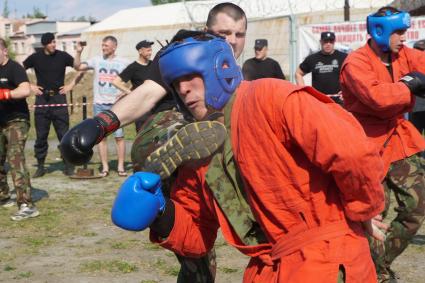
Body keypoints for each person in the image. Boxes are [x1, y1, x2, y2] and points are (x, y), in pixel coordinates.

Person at [112, 32, 387, 283]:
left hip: (326, 261)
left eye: (189, 76)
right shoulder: (199, 150)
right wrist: (161, 212)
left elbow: (351, 151)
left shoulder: (271, 97)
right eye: (175, 83)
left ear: (219, 68)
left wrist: (362, 209)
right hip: (266, 269)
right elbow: (197, 236)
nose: (182, 89)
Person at [61, 3, 247, 282]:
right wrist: (102, 123)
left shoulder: (236, 71)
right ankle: (166, 164)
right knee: (172, 124)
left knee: (199, 259)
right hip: (170, 136)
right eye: (224, 33)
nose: (232, 40)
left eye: (239, 34)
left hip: (213, 166)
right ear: (207, 31)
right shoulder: (183, 52)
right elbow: (147, 94)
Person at [339, 6, 425, 282]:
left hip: (401, 141)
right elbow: (379, 98)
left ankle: (379, 264)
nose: (403, 38)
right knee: (374, 215)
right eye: (398, 32)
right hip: (367, 145)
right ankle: (373, 272)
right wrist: (410, 85)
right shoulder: (356, 63)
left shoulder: (403, 54)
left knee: (417, 207)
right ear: (380, 31)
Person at [23, 32, 78, 178]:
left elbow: (79, 67)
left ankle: (68, 165)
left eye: (55, 42)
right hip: (42, 99)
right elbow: (19, 71)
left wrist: (71, 85)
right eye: (51, 42)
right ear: (44, 44)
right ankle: (40, 166)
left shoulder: (63, 56)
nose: (54, 45)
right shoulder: (35, 58)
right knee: (41, 135)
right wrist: (30, 86)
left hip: (59, 98)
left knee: (64, 134)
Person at [74, 35, 130, 177]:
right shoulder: (96, 60)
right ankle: (105, 167)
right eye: (102, 45)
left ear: (114, 47)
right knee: (101, 138)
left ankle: (121, 166)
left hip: (116, 106)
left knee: (119, 137)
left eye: (106, 45)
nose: (103, 48)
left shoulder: (123, 62)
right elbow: (77, 67)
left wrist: (126, 92)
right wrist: (79, 52)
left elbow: (135, 77)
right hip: (100, 105)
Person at [0, 38, 40, 221]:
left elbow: (25, 90)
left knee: (14, 157)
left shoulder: (14, 68)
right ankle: (3, 196)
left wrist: (6, 93)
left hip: (17, 119)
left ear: (4, 51)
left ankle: (26, 204)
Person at [112, 40, 155, 132]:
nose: (150, 53)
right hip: (141, 107)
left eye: (151, 50)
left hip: (154, 104)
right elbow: (116, 82)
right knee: (143, 133)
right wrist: (130, 93)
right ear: (140, 51)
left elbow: (139, 82)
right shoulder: (133, 67)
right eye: (148, 50)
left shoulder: (153, 64)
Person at [295, 31, 347, 104]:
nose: (328, 44)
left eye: (331, 41)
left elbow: (352, 75)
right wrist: (304, 92)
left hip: (338, 101)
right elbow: (298, 73)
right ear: (320, 42)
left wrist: (347, 91)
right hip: (318, 101)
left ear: (334, 42)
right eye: (325, 41)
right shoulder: (312, 59)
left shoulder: (343, 57)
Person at [410, 39, 425, 136]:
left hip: (415, 105)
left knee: (415, 135)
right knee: (415, 136)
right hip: (415, 105)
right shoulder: (410, 63)